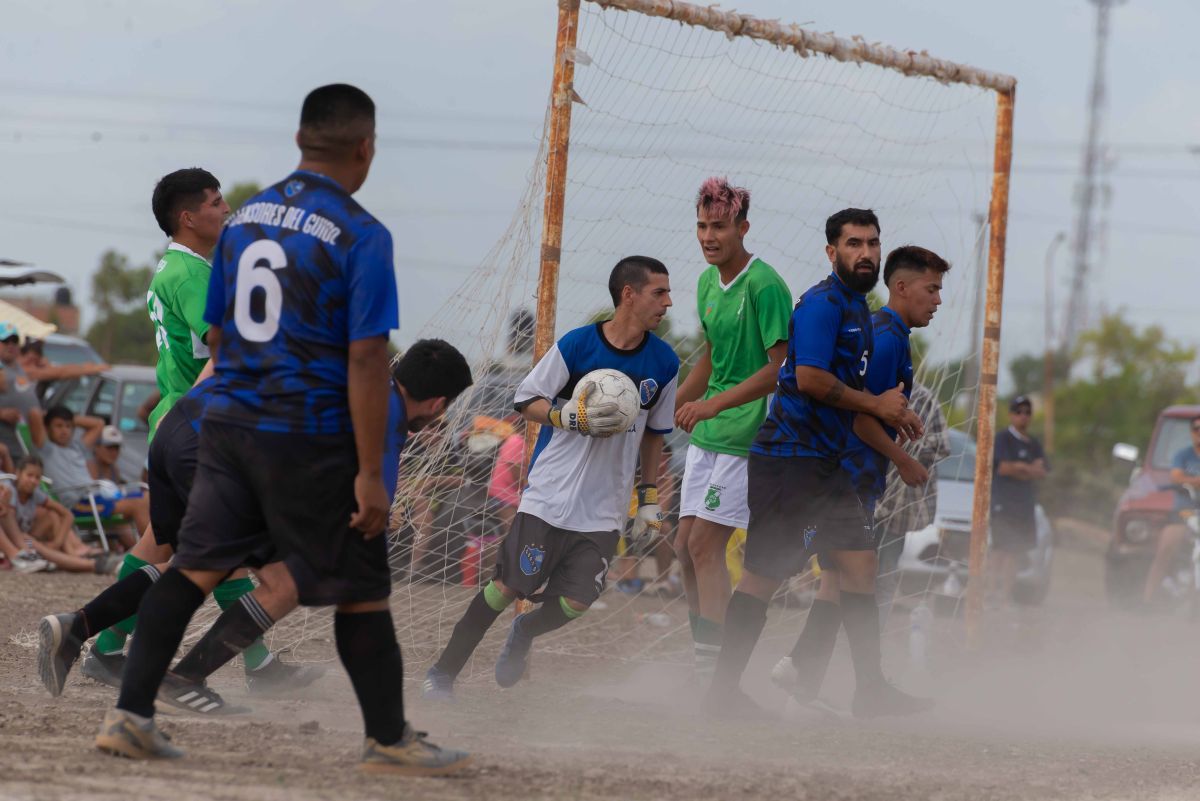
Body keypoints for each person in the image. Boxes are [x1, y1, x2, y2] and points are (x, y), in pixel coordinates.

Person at [91, 83, 471, 775]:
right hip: (303, 431)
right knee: (362, 584)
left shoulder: (242, 223)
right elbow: (365, 356)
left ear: (299, 142)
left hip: (228, 421)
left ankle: (130, 714)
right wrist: (365, 471)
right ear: (366, 147)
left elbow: (221, 332)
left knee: (192, 568)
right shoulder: (361, 233)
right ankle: (388, 736)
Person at [39, 341, 470, 712]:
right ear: (437, 404)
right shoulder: (384, 419)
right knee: (283, 584)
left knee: (206, 565)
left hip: (181, 426)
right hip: (218, 450)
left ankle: (77, 628)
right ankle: (183, 680)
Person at [422, 255, 678, 699]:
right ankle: (443, 673)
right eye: (660, 292)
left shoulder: (665, 363)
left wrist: (649, 498)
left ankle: (525, 631)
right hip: (550, 497)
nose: (668, 303)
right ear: (628, 295)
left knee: (578, 602)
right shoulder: (578, 345)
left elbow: (655, 436)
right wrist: (570, 417)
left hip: (604, 507)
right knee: (504, 589)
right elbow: (527, 400)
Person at [705, 208, 925, 720]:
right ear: (832, 253)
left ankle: (870, 689)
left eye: (872, 243)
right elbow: (809, 379)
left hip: (825, 466)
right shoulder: (823, 305)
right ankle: (720, 692)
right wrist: (874, 406)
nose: (865, 253)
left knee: (860, 564)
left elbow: (851, 392)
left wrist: (891, 409)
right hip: (788, 460)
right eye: (853, 244)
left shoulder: (857, 311)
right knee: (763, 575)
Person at [771, 246, 950, 717]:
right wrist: (903, 460)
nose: (937, 300)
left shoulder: (889, 334)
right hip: (846, 479)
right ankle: (868, 689)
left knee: (838, 580)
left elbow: (876, 408)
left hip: (853, 481)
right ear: (902, 287)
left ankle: (801, 680)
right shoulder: (887, 336)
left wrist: (903, 419)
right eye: (931, 290)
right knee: (862, 575)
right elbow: (861, 419)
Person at [672, 177, 791, 679]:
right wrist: (670, 406)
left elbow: (778, 369)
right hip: (708, 432)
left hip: (746, 436)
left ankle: (713, 673)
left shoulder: (765, 284)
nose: (708, 236)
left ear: (743, 227)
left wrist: (713, 404)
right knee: (682, 548)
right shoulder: (704, 283)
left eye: (718, 226)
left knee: (705, 546)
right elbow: (712, 358)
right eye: (701, 225)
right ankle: (707, 656)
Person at [872, 382, 949, 620]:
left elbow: (942, 445)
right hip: (861, 499)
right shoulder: (865, 388)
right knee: (850, 574)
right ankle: (846, 636)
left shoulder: (923, 397)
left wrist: (909, 449)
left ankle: (874, 638)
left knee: (885, 575)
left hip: (897, 506)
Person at [30, 405, 147, 549]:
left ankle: (149, 551)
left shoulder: (77, 447)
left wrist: (71, 418)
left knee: (147, 496)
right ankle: (148, 553)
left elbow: (99, 424)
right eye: (58, 426)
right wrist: (49, 414)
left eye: (68, 426)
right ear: (48, 428)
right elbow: (34, 414)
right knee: (138, 504)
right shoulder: (46, 450)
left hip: (97, 496)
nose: (64, 430)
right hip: (81, 502)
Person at [1, 455, 120, 574]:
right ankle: (90, 564)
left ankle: (76, 556)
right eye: (29, 475)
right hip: (18, 541)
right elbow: (4, 493)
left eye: (37, 477)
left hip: (27, 539)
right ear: (18, 473)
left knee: (52, 516)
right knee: (35, 542)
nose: (33, 481)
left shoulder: (35, 495)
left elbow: (67, 514)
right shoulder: (9, 490)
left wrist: (56, 542)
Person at [989, 395, 1048, 605]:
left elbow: (1041, 470)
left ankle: (1005, 596)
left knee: (1015, 551)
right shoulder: (1003, 438)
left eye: (1027, 412)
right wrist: (1025, 468)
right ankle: (990, 593)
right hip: (1003, 503)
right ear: (1011, 414)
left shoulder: (1033, 443)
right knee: (1000, 549)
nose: (1023, 416)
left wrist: (1021, 469)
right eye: (1019, 412)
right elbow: (1003, 468)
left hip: (1024, 505)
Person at [1145, 415, 1200, 604]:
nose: (1199, 433)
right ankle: (1148, 598)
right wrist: (1195, 482)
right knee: (1166, 547)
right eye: (1196, 428)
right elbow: (1176, 477)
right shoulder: (1182, 455)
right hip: (1184, 511)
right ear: (1191, 432)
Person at [0, 323, 39, 465]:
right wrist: (2, 413)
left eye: (14, 341)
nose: (10, 345)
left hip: (22, 447)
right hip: (3, 450)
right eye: (5, 341)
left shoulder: (19, 368)